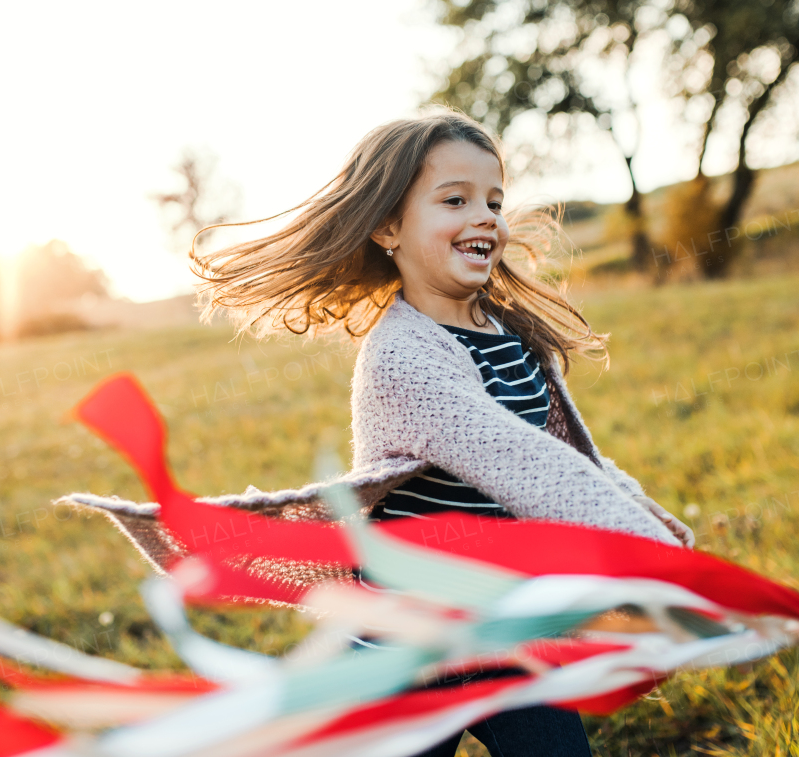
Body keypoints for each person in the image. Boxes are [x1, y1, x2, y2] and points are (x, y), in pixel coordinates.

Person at [186, 109, 695, 757]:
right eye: (455, 199)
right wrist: (658, 564)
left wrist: (662, 538)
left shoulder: (513, 336)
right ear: (388, 227)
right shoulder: (403, 356)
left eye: (494, 200)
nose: (485, 216)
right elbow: (525, 465)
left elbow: (572, 459)